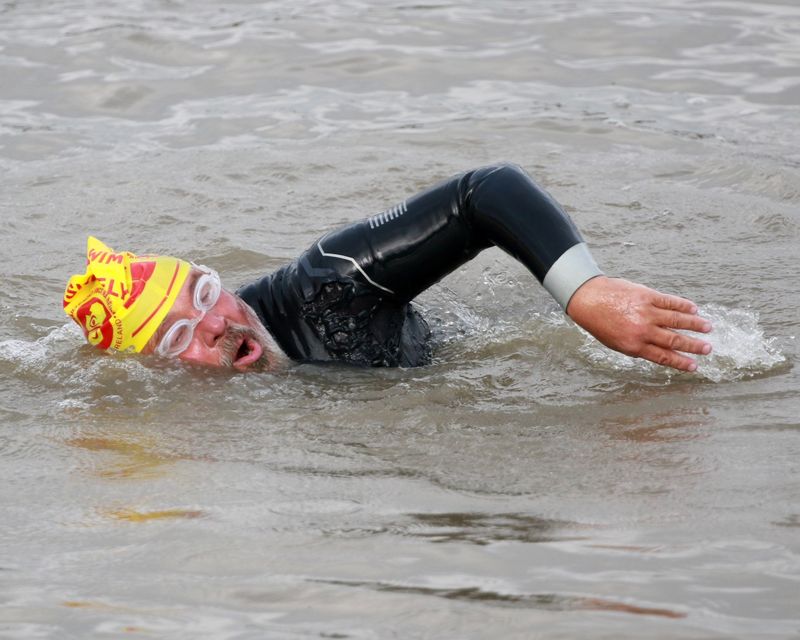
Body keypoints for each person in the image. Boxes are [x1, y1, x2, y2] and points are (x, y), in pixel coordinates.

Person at [63, 163, 712, 373]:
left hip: (463, 350)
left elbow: (483, 192)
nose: (214, 323)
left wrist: (585, 292)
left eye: (206, 292)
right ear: (148, 372)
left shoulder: (325, 288)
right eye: (176, 337)